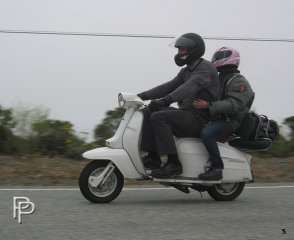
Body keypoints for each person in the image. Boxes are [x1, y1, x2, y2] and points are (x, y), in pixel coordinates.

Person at [137, 33, 220, 178]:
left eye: (182, 50)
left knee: (159, 117)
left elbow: (189, 87)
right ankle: (153, 157)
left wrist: (166, 100)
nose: (179, 53)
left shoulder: (205, 68)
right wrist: (142, 96)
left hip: (200, 119)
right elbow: (169, 86)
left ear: (194, 50)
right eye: (178, 50)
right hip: (187, 115)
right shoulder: (186, 70)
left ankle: (174, 164)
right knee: (149, 111)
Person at [194, 46, 255, 180]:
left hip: (230, 121)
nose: (215, 60)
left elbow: (235, 105)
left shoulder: (239, 81)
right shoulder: (220, 78)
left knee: (207, 133)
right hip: (217, 117)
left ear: (228, 59)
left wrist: (208, 105)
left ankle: (217, 168)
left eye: (218, 57)